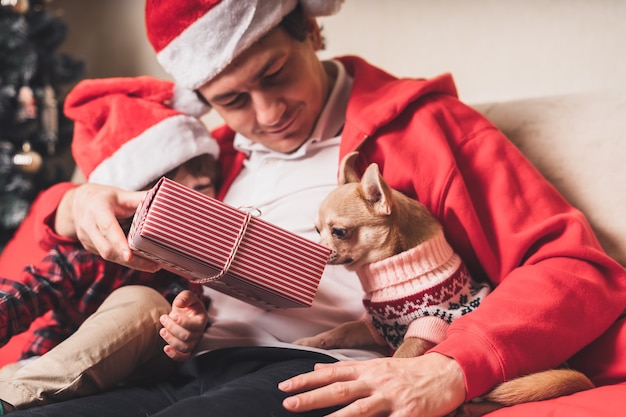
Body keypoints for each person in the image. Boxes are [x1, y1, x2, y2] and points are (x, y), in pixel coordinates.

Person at [4, 0, 626, 416]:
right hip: (181, 361)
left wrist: (452, 367)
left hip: (309, 374)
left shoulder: (426, 130)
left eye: (275, 74)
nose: (268, 113)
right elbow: (73, 257)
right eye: (234, 100)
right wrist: (73, 200)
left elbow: (575, 269)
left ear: (311, 29)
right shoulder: (210, 160)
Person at [0, 76, 222, 413]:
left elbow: (187, 325)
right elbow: (27, 293)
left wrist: (188, 329)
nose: (194, 209)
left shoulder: (195, 264)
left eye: (204, 189)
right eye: (174, 198)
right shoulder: (86, 258)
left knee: (147, 304)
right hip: (45, 373)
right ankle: (12, 393)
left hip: (140, 373)